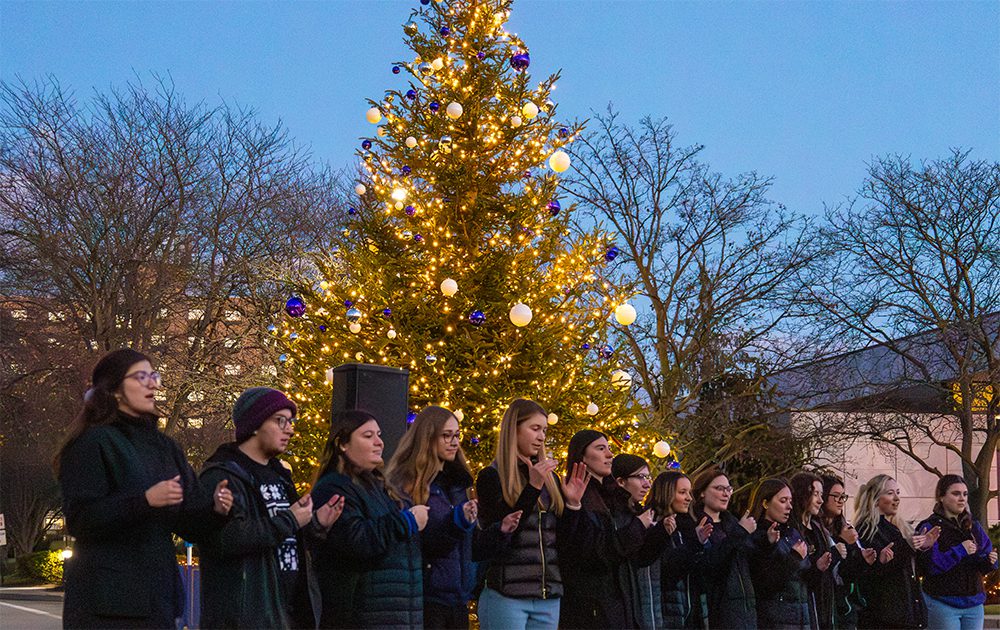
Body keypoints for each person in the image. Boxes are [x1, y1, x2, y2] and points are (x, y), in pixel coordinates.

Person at [55, 348, 232, 628]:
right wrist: (145, 501)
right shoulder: (93, 443)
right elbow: (81, 520)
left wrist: (216, 509)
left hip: (158, 599)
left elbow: (187, 521)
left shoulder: (166, 447)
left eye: (154, 375)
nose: (153, 383)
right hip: (106, 604)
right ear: (114, 391)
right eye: (141, 377)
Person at [198, 387, 344, 629]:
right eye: (280, 421)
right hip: (248, 617)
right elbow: (227, 538)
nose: (289, 429)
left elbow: (287, 540)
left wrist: (317, 525)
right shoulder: (223, 476)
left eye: (290, 422)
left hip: (288, 613)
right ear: (254, 424)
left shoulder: (281, 476)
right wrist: (290, 520)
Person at [309, 409, 429, 629]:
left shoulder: (379, 486)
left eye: (379, 434)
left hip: (397, 615)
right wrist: (408, 522)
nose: (379, 442)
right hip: (365, 616)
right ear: (343, 444)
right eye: (368, 436)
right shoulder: (333, 488)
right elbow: (356, 541)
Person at [474, 398, 577, 630]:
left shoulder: (550, 480)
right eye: (535, 428)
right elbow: (499, 537)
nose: (541, 437)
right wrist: (532, 489)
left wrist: (573, 505)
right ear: (514, 429)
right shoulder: (492, 477)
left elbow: (561, 540)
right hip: (507, 594)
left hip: (547, 597)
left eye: (544, 430)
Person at [385, 406, 478, 629]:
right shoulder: (407, 482)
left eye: (457, 435)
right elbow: (421, 543)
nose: (454, 442)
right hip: (427, 597)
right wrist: (457, 522)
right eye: (446, 435)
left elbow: (469, 545)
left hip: (458, 596)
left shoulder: (458, 483)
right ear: (428, 437)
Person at [559, 430, 647, 628]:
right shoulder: (575, 496)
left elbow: (638, 557)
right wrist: (573, 505)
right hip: (592, 608)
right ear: (582, 455)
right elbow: (587, 552)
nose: (609, 455)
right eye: (600, 449)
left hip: (623, 602)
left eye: (609, 449)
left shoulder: (618, 498)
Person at [853, 474, 939, 629]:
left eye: (898, 493)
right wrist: (909, 547)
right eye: (890, 493)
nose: (897, 498)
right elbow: (876, 573)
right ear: (876, 497)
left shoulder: (897, 528)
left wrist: (924, 547)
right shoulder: (866, 530)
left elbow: (912, 569)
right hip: (886, 617)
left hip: (906, 614)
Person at [915, 474, 998, 630]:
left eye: (965, 494)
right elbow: (931, 566)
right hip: (943, 602)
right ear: (941, 497)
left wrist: (990, 561)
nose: (962, 498)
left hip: (974, 603)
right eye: (956, 493)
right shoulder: (929, 527)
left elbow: (984, 559)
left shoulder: (973, 527)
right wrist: (960, 550)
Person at [690, 466, 758, 629]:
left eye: (728, 489)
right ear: (702, 493)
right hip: (717, 611)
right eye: (719, 489)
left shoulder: (733, 523)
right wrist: (739, 533)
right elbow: (710, 566)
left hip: (745, 608)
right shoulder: (697, 525)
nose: (726, 494)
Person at [647, 470, 713, 629]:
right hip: (667, 616)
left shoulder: (688, 527)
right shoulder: (653, 526)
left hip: (690, 614)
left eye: (689, 492)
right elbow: (668, 570)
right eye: (682, 492)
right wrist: (695, 544)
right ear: (667, 493)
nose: (689, 498)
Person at [611, 454, 666, 630]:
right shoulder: (612, 513)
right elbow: (617, 551)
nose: (647, 484)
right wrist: (639, 526)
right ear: (621, 481)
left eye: (648, 477)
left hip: (633, 601)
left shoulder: (638, 512)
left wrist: (662, 533)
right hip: (614, 601)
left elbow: (641, 559)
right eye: (640, 477)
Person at [747, 477, 811, 629]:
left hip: (800, 617)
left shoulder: (792, 533)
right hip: (774, 620)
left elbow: (804, 579)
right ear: (765, 503)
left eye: (790, 501)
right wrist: (793, 558)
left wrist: (819, 568)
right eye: (783, 501)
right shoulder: (757, 535)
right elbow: (765, 583)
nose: (789, 506)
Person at [820, 474, 875, 630]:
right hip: (828, 606)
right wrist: (843, 543)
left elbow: (848, 574)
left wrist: (862, 557)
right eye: (835, 496)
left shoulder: (846, 528)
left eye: (843, 497)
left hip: (847, 608)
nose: (840, 501)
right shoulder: (816, 529)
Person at [788, 472, 835, 629]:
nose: (820, 500)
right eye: (815, 494)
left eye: (821, 495)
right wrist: (816, 567)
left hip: (823, 605)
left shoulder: (817, 528)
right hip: (803, 607)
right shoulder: (791, 530)